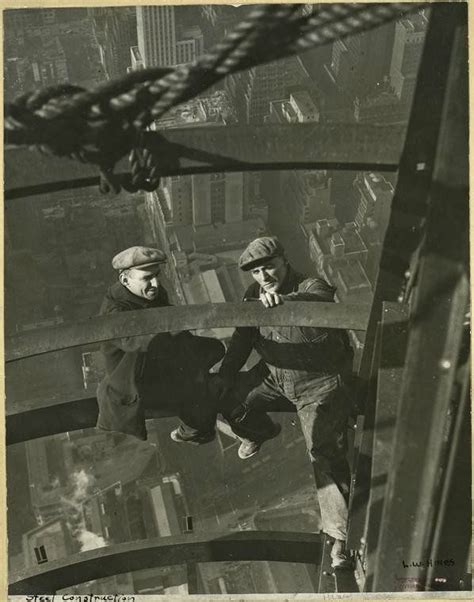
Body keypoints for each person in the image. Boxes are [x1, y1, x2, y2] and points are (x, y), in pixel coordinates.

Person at [213, 236, 354, 569]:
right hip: (275, 376)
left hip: (318, 383)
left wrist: (286, 301)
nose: (264, 277)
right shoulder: (253, 296)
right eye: (257, 272)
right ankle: (257, 431)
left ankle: (341, 540)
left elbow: (318, 299)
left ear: (285, 261)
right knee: (223, 396)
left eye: (269, 267)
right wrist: (224, 376)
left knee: (322, 453)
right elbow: (242, 339)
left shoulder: (311, 284)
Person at [96, 245, 280, 447]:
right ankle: (198, 430)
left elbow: (171, 326)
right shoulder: (114, 313)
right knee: (204, 387)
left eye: (157, 275)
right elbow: (145, 341)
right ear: (124, 280)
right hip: (137, 381)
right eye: (147, 278)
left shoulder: (147, 293)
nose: (156, 284)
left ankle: (230, 426)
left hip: (158, 360)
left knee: (214, 350)